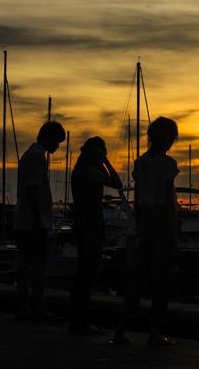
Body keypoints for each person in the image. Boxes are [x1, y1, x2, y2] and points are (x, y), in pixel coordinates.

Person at [111, 116, 179, 347]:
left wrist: (139, 226)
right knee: (162, 280)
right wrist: (173, 230)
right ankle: (154, 333)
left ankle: (120, 330)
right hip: (161, 221)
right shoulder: (168, 164)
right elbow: (169, 200)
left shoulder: (140, 163)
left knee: (138, 278)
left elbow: (138, 200)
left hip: (145, 222)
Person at [68, 137, 122, 335]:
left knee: (84, 274)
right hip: (90, 227)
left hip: (84, 225)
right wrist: (106, 162)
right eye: (102, 150)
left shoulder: (79, 170)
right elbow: (117, 183)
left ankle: (77, 320)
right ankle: (81, 322)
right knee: (87, 275)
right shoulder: (90, 172)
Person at [13, 121, 65, 321]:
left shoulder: (29, 155)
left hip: (24, 220)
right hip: (33, 221)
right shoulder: (37, 157)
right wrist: (37, 220)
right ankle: (36, 307)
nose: (58, 147)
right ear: (48, 137)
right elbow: (33, 189)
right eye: (57, 142)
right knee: (35, 266)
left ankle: (24, 307)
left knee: (26, 263)